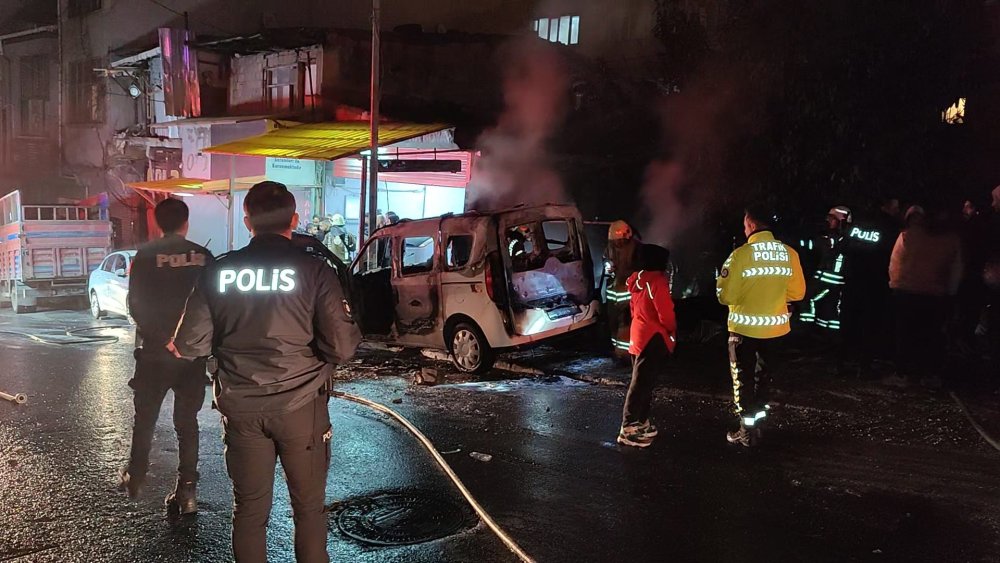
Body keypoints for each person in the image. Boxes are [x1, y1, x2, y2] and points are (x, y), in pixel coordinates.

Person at [174, 181, 361, 563]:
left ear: (248, 222)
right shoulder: (314, 271)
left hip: (241, 409)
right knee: (308, 511)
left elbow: (191, 343)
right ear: (294, 220)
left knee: (249, 512)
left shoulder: (220, 272)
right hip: (302, 408)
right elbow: (342, 346)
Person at [119, 198, 213, 514]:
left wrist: (162, 340)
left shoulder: (144, 256)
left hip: (154, 355)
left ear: (159, 223)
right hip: (192, 358)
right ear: (186, 223)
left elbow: (136, 305)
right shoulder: (203, 256)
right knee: (187, 423)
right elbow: (216, 307)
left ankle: (136, 475)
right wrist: (191, 343)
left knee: (145, 419)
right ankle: (187, 493)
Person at [717, 205, 806, 447]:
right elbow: (798, 293)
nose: (744, 229)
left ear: (752, 225)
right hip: (777, 330)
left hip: (744, 330)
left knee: (742, 379)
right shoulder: (790, 254)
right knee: (764, 377)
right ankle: (758, 426)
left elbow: (725, 296)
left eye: (745, 225)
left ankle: (745, 432)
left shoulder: (740, 255)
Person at [886, 205, 962, 388]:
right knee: (931, 334)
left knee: (905, 333)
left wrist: (894, 284)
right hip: (935, 293)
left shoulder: (907, 235)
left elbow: (895, 262)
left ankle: (902, 373)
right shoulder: (952, 239)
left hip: (906, 291)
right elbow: (956, 269)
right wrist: (950, 292)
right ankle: (929, 374)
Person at [617, 243, 676, 448]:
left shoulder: (637, 280)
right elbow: (665, 312)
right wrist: (671, 329)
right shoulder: (657, 280)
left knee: (642, 380)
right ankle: (629, 427)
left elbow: (633, 309)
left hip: (638, 334)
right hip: (653, 337)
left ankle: (640, 422)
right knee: (643, 382)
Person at [840, 198, 899, 376]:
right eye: (895, 206)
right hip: (875, 282)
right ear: (886, 206)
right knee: (870, 323)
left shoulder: (857, 223)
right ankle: (864, 365)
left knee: (849, 321)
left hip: (853, 279)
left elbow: (844, 247)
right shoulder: (890, 226)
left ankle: (842, 363)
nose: (897, 210)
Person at [799, 206, 851, 332]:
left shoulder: (837, 240)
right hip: (830, 281)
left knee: (806, 298)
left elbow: (816, 246)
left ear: (842, 223)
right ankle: (826, 335)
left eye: (832, 219)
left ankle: (805, 330)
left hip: (828, 280)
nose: (828, 222)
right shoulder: (836, 239)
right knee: (829, 308)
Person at [604, 220, 641, 359]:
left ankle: (628, 353)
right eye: (615, 241)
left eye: (620, 241)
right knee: (613, 322)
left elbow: (639, 269)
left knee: (627, 324)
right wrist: (608, 266)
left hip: (628, 295)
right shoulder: (610, 247)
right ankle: (617, 349)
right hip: (613, 295)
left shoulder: (636, 248)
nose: (617, 243)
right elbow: (606, 258)